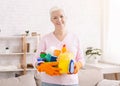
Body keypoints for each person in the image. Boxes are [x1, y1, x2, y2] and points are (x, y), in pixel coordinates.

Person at [35, 6, 85, 86]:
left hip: (71, 82)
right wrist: (43, 66)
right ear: (51, 20)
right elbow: (36, 59)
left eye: (61, 16)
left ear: (66, 18)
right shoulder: (45, 39)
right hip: (49, 82)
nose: (59, 20)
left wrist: (78, 65)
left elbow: (81, 59)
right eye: (55, 18)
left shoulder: (75, 38)